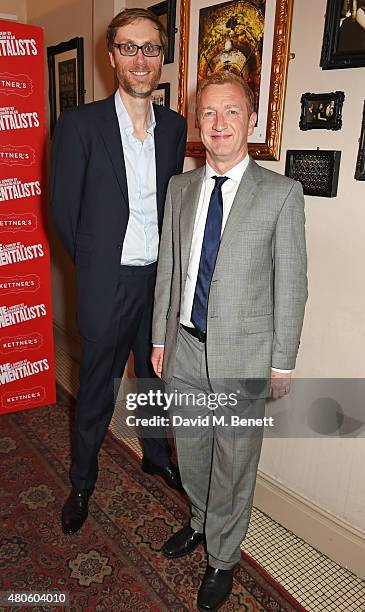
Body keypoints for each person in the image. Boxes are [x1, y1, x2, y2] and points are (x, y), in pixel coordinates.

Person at [151, 71, 307, 611]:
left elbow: (291, 284)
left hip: (244, 356)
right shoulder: (180, 188)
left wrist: (281, 363)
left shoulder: (282, 194)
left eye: (231, 112)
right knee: (191, 452)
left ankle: (223, 557)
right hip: (186, 346)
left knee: (235, 461)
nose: (219, 124)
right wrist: (159, 338)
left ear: (252, 118)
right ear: (199, 122)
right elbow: (169, 272)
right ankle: (199, 520)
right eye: (209, 113)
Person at [50, 8, 187, 535]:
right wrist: (96, 264)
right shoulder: (80, 125)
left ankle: (155, 454)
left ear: (160, 58)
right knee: (99, 388)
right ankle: (82, 480)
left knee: (154, 379)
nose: (140, 59)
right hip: (106, 283)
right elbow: (63, 212)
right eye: (129, 48)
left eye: (150, 48)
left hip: (156, 282)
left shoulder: (174, 128)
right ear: (112, 58)